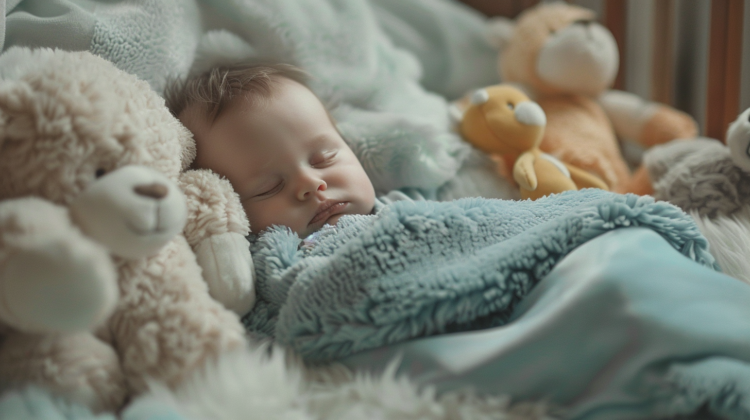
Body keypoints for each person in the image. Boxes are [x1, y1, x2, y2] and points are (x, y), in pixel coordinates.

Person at [166, 63, 384, 239]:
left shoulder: (407, 205)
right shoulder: (269, 268)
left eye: (323, 159)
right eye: (270, 188)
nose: (310, 183)